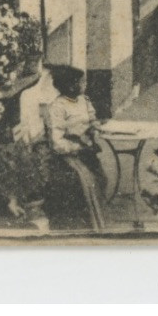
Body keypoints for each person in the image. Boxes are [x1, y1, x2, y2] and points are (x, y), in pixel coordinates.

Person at [43, 65, 108, 231]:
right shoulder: (57, 107)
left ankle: (98, 222)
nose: (84, 85)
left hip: (86, 151)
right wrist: (78, 146)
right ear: (71, 85)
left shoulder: (84, 100)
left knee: (101, 178)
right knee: (85, 183)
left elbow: (91, 118)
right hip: (67, 156)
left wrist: (94, 127)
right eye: (82, 82)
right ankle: (83, 226)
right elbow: (57, 142)